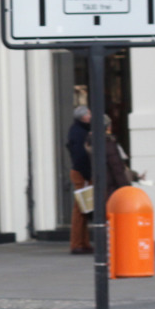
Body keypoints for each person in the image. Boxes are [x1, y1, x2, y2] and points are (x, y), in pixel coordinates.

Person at [87, 114, 134, 204]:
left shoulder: (91, 141)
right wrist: (126, 187)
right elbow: (116, 167)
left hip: (101, 186)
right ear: (107, 127)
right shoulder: (107, 143)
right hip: (111, 187)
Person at [66, 106, 93, 254]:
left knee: (83, 208)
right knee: (80, 209)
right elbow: (80, 156)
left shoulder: (78, 130)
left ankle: (83, 243)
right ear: (83, 117)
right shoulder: (79, 132)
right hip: (81, 173)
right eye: (89, 114)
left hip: (82, 172)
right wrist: (88, 175)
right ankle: (77, 244)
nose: (91, 116)